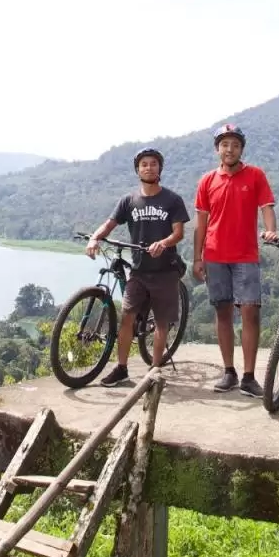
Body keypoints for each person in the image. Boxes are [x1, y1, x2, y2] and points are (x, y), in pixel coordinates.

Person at [85, 147, 190, 387]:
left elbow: (179, 233)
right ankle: (121, 369)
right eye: (144, 164)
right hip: (140, 271)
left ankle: (153, 373)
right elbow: (109, 224)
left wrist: (163, 244)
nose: (149, 167)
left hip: (165, 270)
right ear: (137, 169)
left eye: (153, 163)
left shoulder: (172, 200)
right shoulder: (129, 200)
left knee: (161, 323)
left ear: (159, 169)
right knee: (127, 318)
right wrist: (95, 238)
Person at [193, 123, 278, 396]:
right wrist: (197, 258)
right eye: (225, 144)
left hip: (245, 255)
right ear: (218, 148)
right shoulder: (207, 180)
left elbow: (266, 207)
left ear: (241, 148)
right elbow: (201, 223)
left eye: (235, 145)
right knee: (223, 312)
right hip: (215, 255)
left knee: (251, 312)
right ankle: (229, 371)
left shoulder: (255, 175)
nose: (230, 149)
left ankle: (249, 376)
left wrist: (271, 230)